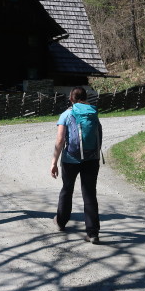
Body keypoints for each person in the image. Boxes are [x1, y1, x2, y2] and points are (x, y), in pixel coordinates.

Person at [50, 87, 102, 244]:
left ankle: (61, 221)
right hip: (92, 159)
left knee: (67, 189)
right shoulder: (93, 113)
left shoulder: (66, 114)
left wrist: (53, 162)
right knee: (90, 194)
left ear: (70, 99)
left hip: (71, 159)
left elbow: (60, 140)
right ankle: (92, 233)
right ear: (86, 98)